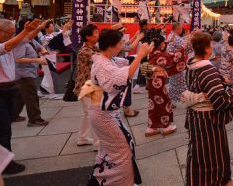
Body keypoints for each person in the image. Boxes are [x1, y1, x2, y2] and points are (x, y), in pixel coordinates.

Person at [0, 18, 42, 174]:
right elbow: (9, 46)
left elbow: (22, 40)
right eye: (10, 33)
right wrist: (25, 31)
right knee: (3, 128)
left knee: (0, 127)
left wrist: (32, 30)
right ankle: (4, 163)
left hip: (9, 89)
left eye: (13, 33)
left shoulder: (5, 44)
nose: (12, 36)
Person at [86, 29, 154, 186]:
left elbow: (128, 62)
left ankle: (105, 179)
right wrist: (141, 55)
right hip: (102, 113)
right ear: (111, 46)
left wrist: (142, 54)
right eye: (120, 43)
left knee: (114, 148)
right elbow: (119, 79)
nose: (123, 45)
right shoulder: (103, 64)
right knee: (121, 150)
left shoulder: (107, 59)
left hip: (107, 112)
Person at [185, 31, 233, 186]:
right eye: (211, 46)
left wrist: (223, 82)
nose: (213, 48)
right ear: (207, 48)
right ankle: (220, 181)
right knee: (214, 153)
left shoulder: (191, 65)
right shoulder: (207, 70)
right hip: (208, 120)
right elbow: (220, 101)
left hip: (195, 118)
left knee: (198, 153)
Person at [145, 35, 187, 137]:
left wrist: (168, 41)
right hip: (158, 83)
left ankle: (151, 127)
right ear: (160, 45)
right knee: (163, 102)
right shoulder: (160, 56)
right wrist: (184, 46)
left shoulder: (151, 52)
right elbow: (174, 57)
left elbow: (165, 53)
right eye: (163, 43)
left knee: (153, 104)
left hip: (151, 82)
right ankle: (166, 126)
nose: (164, 45)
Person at [11, 18, 50, 126]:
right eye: (33, 27)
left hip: (30, 71)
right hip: (23, 73)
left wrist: (44, 51)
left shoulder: (30, 39)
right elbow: (18, 59)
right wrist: (37, 60)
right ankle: (34, 119)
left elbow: (39, 46)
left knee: (21, 96)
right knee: (31, 96)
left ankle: (12, 115)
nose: (36, 30)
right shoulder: (19, 41)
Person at [74, 23, 100, 149]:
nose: (98, 35)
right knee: (94, 115)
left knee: (87, 114)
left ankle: (82, 138)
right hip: (87, 87)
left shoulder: (94, 49)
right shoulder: (86, 51)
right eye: (96, 33)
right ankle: (98, 144)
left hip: (88, 86)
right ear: (88, 37)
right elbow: (102, 59)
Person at [40, 20, 73, 94]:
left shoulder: (54, 34)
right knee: (51, 75)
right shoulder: (43, 37)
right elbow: (54, 41)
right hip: (46, 58)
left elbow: (65, 34)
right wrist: (64, 30)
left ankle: (43, 91)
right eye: (51, 26)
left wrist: (67, 28)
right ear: (46, 28)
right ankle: (52, 92)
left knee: (48, 76)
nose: (53, 27)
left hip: (52, 57)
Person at [166, 23, 191, 107]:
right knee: (182, 83)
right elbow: (185, 45)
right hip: (177, 64)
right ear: (177, 29)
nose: (181, 30)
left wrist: (187, 38)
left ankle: (169, 101)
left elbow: (183, 42)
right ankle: (188, 101)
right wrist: (190, 38)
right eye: (181, 29)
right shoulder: (175, 37)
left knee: (173, 83)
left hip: (173, 64)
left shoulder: (171, 35)